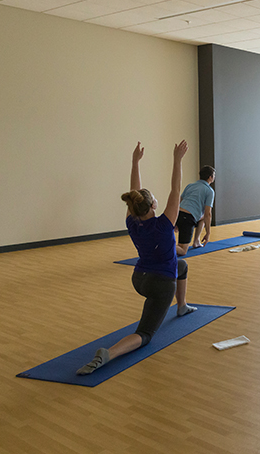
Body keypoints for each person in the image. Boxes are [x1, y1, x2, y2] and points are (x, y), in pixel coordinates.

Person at [77, 141, 197, 375]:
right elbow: (176, 189)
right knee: (145, 334)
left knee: (181, 266)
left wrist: (135, 162)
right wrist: (177, 160)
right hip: (160, 285)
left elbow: (136, 191)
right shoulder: (164, 225)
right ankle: (109, 353)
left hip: (139, 279)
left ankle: (181, 306)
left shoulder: (131, 222)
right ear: (153, 205)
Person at [176, 165, 215, 256]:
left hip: (178, 214)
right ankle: (161, 247)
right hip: (187, 217)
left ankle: (196, 241)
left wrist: (176, 220)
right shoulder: (209, 191)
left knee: (201, 218)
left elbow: (179, 201)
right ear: (210, 177)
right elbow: (207, 213)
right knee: (182, 250)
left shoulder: (190, 185)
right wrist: (208, 233)